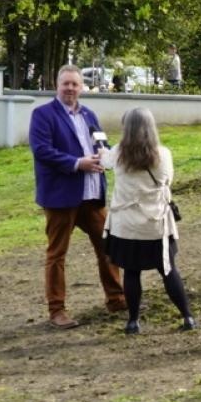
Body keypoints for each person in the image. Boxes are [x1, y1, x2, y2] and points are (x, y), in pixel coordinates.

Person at [28, 65, 126, 329]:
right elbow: (42, 151)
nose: (70, 88)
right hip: (61, 196)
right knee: (57, 254)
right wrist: (77, 163)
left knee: (108, 246)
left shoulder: (90, 115)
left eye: (75, 84)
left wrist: (104, 156)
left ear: (82, 87)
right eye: (66, 84)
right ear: (56, 86)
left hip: (92, 194)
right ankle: (57, 310)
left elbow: (102, 144)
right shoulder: (43, 115)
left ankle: (116, 299)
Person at [103, 108, 196, 334]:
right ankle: (187, 317)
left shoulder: (117, 153)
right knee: (168, 271)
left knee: (131, 273)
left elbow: (104, 162)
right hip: (155, 225)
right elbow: (168, 180)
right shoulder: (163, 154)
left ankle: (133, 321)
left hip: (127, 226)